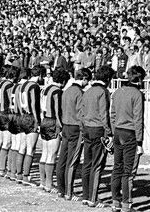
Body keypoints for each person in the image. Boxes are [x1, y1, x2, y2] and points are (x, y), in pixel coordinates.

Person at [110, 66, 146, 212]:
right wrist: (140, 142)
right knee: (128, 171)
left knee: (117, 167)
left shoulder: (118, 92)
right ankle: (126, 204)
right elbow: (138, 119)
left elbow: (112, 115)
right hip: (130, 133)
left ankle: (115, 202)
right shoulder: (137, 94)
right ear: (140, 79)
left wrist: (113, 133)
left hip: (118, 131)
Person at [80, 65, 116, 207]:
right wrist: (109, 133)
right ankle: (93, 197)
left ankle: (85, 195)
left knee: (87, 163)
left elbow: (82, 113)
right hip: (98, 129)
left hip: (87, 128)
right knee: (97, 165)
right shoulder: (103, 91)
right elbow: (104, 114)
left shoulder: (87, 91)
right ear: (107, 79)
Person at [57, 68, 91, 200]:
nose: (87, 83)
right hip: (76, 127)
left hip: (65, 125)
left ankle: (61, 189)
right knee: (72, 160)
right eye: (86, 80)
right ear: (83, 79)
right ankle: (69, 192)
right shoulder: (80, 93)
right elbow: (81, 113)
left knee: (62, 159)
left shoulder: (66, 91)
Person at [39, 68, 70, 192]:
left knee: (44, 153)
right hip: (53, 121)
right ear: (63, 81)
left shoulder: (45, 88)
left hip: (44, 120)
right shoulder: (57, 91)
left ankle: (42, 181)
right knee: (51, 155)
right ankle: (49, 184)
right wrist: (60, 126)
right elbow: (57, 110)